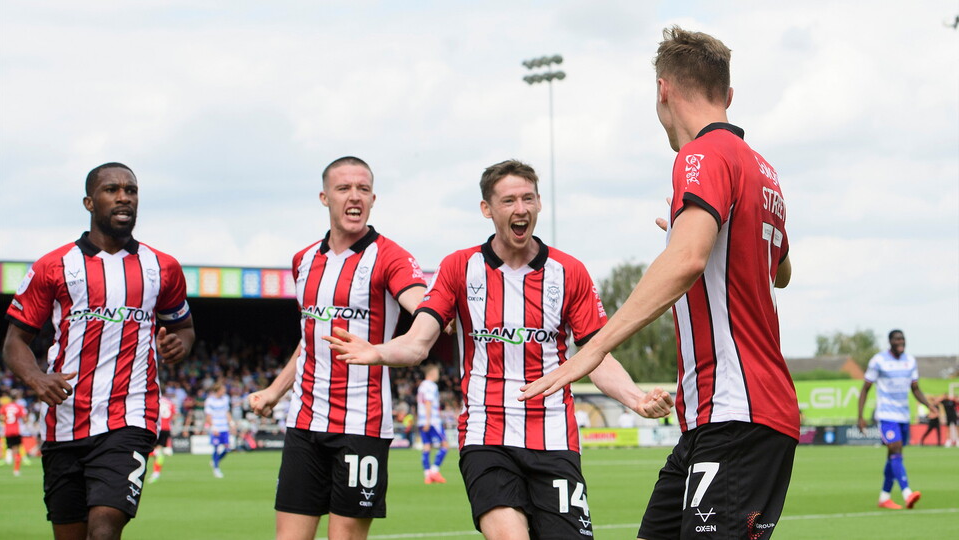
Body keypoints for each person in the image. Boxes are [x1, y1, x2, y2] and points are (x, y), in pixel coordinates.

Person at [518, 26, 800, 540]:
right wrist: (699, 233)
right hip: (722, 416)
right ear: (728, 95)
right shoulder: (764, 169)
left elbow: (689, 259)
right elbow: (780, 271)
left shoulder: (700, 156)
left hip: (736, 409)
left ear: (663, 90)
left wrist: (592, 350)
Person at [326, 159, 673, 540]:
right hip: (486, 437)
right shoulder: (459, 267)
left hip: (554, 439)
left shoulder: (569, 271)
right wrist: (377, 351)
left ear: (540, 203)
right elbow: (418, 341)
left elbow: (596, 355)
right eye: (508, 200)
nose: (520, 209)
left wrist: (637, 399)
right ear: (487, 209)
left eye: (528, 198)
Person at [2, 162, 194, 539]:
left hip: (130, 417)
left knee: (104, 529)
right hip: (65, 421)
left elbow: (184, 327)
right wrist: (36, 378)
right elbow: (14, 342)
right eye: (112, 189)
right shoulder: (53, 266)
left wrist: (178, 344)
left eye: (131, 190)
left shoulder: (163, 267)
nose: (124, 197)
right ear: (90, 202)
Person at [247, 156, 427, 540]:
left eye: (363, 189)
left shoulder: (390, 257)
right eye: (344, 188)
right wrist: (275, 392)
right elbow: (311, 338)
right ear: (324, 197)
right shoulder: (305, 260)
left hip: (362, 424)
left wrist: (433, 315)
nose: (354, 196)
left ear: (373, 198)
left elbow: (421, 305)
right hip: (304, 421)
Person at [857, 329, 937, 510]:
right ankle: (907, 493)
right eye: (897, 339)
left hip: (903, 415)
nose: (900, 342)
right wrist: (860, 416)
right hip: (886, 415)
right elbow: (865, 389)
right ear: (890, 342)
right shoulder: (878, 361)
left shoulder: (910, 361)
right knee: (895, 449)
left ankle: (884, 497)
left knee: (893, 456)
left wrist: (929, 405)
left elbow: (915, 389)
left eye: (902, 339)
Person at [417, 364, 449, 484]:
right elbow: (428, 403)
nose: (438, 376)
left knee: (427, 446)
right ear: (432, 374)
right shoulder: (431, 386)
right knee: (445, 445)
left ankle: (427, 475)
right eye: (437, 373)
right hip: (432, 421)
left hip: (421, 420)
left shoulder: (421, 386)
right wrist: (428, 421)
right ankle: (434, 471)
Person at [204, 382, 234, 478]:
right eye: (223, 390)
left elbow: (227, 412)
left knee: (228, 448)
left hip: (224, 427)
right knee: (216, 448)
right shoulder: (209, 401)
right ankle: (216, 469)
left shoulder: (225, 399)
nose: (224, 392)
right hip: (216, 427)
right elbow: (208, 416)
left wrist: (231, 423)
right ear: (218, 391)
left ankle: (215, 461)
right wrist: (213, 427)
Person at [148, 389, 178, 482]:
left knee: (149, 449)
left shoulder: (154, 399)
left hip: (157, 427)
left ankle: (155, 469)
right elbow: (175, 415)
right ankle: (156, 473)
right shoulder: (170, 402)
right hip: (166, 429)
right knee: (159, 450)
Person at [1, 392, 28, 476]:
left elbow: (1, 416)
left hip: (7, 430)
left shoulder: (5, 406)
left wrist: (5, 420)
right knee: (17, 450)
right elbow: (25, 419)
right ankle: (16, 470)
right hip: (16, 430)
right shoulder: (19, 407)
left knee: (8, 445)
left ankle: (8, 458)